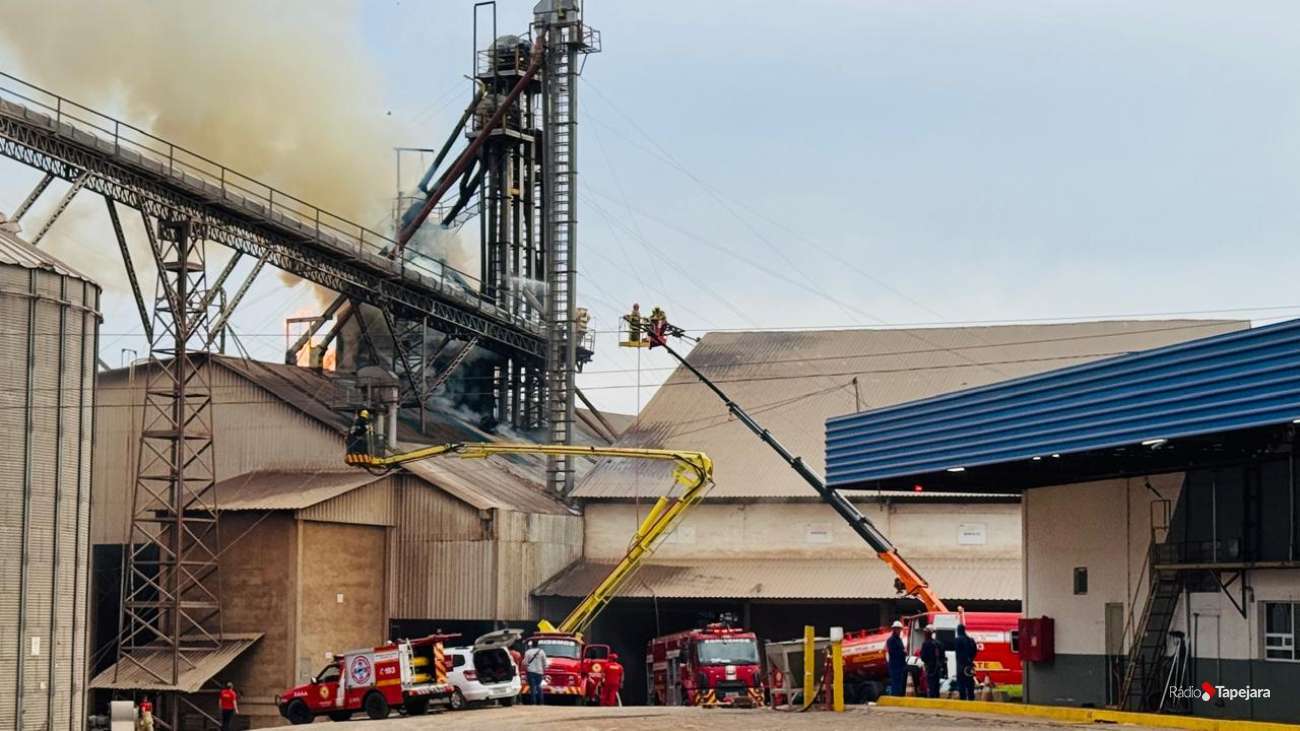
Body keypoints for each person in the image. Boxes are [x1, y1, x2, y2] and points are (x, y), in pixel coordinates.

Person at [954, 624, 978, 701]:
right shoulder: (971, 640)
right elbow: (975, 651)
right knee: (970, 683)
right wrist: (970, 659)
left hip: (961, 666)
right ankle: (971, 699)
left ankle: (963, 699)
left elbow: (957, 652)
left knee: (961, 684)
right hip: (970, 665)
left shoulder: (957, 640)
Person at [919, 628, 944, 699]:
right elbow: (943, 656)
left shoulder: (925, 644)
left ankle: (932, 699)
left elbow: (923, 657)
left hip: (930, 668)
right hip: (937, 668)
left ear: (927, 634)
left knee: (931, 685)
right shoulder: (938, 643)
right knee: (936, 685)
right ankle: (936, 698)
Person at [885, 620, 907, 697]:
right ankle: (895, 696)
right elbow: (893, 652)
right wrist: (903, 652)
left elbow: (902, 649)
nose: (899, 631)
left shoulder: (899, 640)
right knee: (895, 682)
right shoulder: (891, 640)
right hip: (895, 665)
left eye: (899, 629)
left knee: (900, 682)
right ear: (894, 629)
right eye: (897, 629)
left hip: (900, 665)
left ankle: (898, 695)